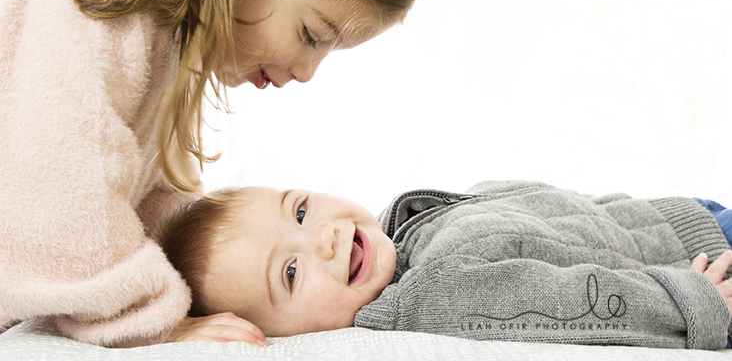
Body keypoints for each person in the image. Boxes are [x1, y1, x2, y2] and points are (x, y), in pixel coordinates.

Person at [0, 0, 426, 348]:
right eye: (311, 35)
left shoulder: (162, 31)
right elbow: (52, 196)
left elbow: (133, 199)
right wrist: (149, 318)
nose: (307, 72)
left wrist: (217, 265)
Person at [161, 180, 732, 350]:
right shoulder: (432, 300)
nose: (326, 238)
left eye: (301, 211)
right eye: (290, 272)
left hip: (675, 216)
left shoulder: (402, 231)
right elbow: (566, 307)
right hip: (704, 264)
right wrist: (689, 304)